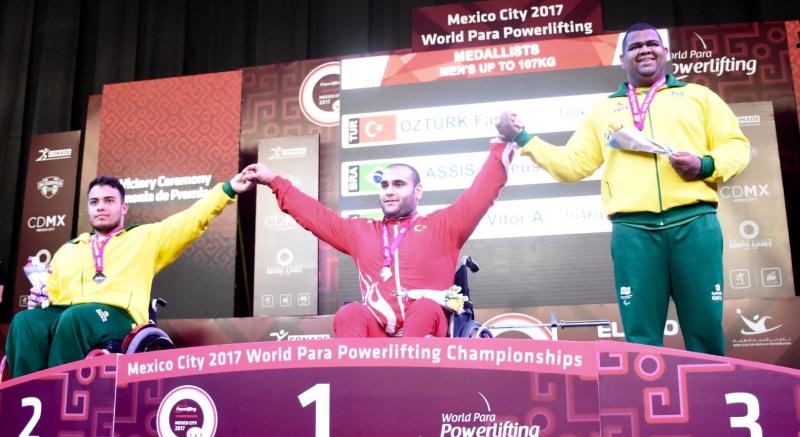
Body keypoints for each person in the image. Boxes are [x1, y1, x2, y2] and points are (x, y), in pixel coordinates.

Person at [495, 23, 750, 355]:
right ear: (622, 58)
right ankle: (647, 405)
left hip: (694, 225)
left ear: (665, 53)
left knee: (705, 333)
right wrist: (523, 138)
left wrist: (704, 164)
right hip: (634, 232)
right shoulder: (604, 110)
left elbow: (736, 147)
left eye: (651, 44)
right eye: (635, 46)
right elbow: (572, 165)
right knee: (641, 340)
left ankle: (711, 404)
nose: (644, 50)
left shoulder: (698, 97)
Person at [242, 140, 513, 337]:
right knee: (350, 313)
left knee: (426, 308)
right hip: (379, 333)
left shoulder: (443, 226)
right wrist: (275, 181)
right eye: (384, 185)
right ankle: (355, 393)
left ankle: (414, 388)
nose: (389, 192)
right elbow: (316, 216)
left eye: (398, 184)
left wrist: (501, 144)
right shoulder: (361, 231)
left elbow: (480, 194)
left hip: (429, 331)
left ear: (418, 191)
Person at [5, 174, 254, 378]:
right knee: (25, 322)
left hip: (118, 317)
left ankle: (59, 399)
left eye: (108, 200)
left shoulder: (146, 238)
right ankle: (25, 399)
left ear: (123, 207)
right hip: (70, 314)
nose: (100, 206)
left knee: (74, 318)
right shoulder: (68, 250)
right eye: (94, 202)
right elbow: (53, 297)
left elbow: (191, 220)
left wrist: (228, 189)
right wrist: (41, 298)